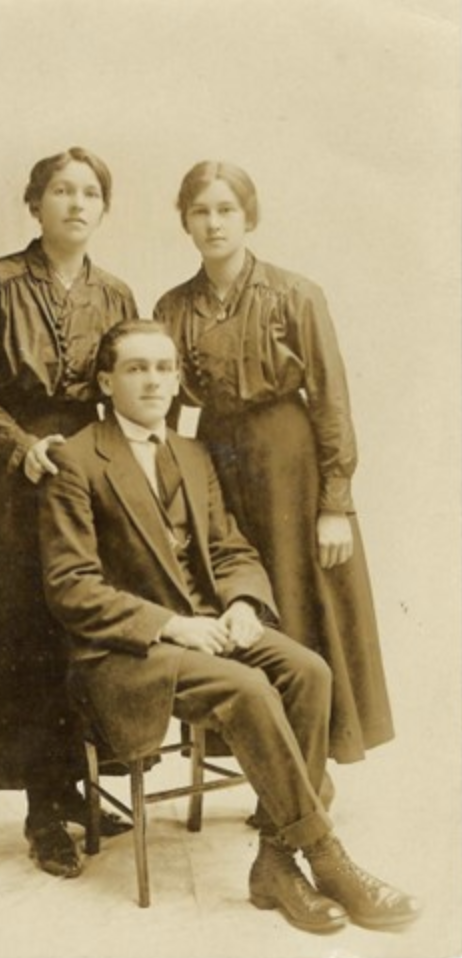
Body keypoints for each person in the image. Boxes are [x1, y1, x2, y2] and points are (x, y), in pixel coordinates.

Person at [38, 320, 419, 934]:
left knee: (309, 671)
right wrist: (173, 626)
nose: (154, 381)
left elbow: (231, 548)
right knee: (249, 688)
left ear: (177, 379)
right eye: (136, 368)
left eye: (164, 368)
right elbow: (72, 588)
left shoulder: (192, 454)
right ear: (106, 382)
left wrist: (243, 604)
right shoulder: (76, 459)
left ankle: (275, 861)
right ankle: (326, 857)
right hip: (126, 652)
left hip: (208, 633)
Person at [153, 161, 394, 788]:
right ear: (185, 221)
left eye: (226, 210)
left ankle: (308, 773)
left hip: (291, 466)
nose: (214, 223)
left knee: (297, 602)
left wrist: (335, 503)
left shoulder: (296, 295)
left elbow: (331, 399)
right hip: (215, 461)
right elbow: (166, 409)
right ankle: (263, 758)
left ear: (249, 217)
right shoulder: (173, 307)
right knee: (235, 599)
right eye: (201, 211)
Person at [0, 147, 136, 879]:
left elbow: (126, 383)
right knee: (20, 635)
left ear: (103, 209)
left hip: (86, 474)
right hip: (9, 476)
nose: (76, 204)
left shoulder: (115, 294)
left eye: (90, 193)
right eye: (61, 191)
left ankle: (78, 785)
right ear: (35, 204)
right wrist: (21, 445)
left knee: (83, 626)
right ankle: (43, 811)